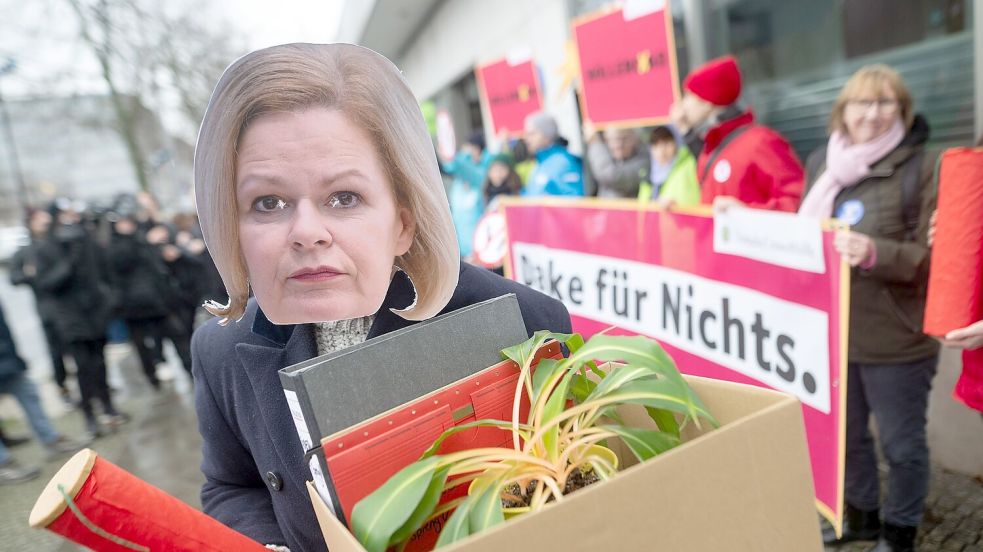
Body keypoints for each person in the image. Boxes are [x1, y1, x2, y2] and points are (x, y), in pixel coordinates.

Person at [191, 43, 572, 552]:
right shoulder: (220, 353)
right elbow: (231, 485)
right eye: (269, 202)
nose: (307, 232)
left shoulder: (522, 322)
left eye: (343, 197)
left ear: (403, 220)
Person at [800, 64, 938, 552]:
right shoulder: (823, 164)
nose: (873, 114)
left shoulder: (924, 167)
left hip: (896, 336)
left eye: (886, 103)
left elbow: (936, 259)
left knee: (901, 447)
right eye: (863, 103)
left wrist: (876, 253)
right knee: (847, 438)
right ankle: (859, 517)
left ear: (902, 111)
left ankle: (899, 533)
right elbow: (799, 238)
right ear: (844, 110)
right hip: (833, 334)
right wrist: (733, 221)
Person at [671, 55, 803, 212]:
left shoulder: (761, 142)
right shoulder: (711, 148)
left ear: (706, 102)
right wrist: (680, 214)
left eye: (688, 96)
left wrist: (746, 214)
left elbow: (797, 201)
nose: (682, 105)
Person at [39, 203, 126, 438]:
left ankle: (108, 407)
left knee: (100, 362)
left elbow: (104, 271)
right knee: (83, 367)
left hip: (95, 312)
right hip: (71, 318)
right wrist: (69, 262)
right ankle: (90, 415)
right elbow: (47, 284)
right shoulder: (47, 247)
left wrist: (110, 299)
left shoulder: (87, 241)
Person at [0, 300, 85, 484]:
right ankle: (2, 464)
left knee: (27, 391)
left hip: (5, 357)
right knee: (26, 390)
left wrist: (14, 357)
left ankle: (51, 440)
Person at [9, 209, 72, 402]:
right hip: (46, 307)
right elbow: (15, 277)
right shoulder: (26, 249)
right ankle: (63, 388)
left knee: (77, 347)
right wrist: (29, 275)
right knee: (56, 351)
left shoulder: (56, 242)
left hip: (67, 303)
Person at [440, 132, 490, 258]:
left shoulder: (481, 172)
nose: (466, 152)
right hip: (461, 246)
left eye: (469, 148)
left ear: (478, 149)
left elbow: (465, 168)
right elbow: (446, 168)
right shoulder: (459, 180)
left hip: (479, 245)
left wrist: (453, 155)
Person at [521, 112, 584, 197]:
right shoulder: (539, 162)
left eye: (532, 134)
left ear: (547, 135)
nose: (527, 139)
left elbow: (573, 200)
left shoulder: (564, 162)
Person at [638, 125, 700, 207]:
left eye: (666, 143)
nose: (661, 150)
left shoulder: (690, 164)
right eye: (656, 145)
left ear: (677, 143)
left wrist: (676, 206)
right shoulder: (647, 174)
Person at [584, 123, 650, 198]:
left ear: (635, 139)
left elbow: (612, 176)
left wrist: (595, 143)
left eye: (624, 139)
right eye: (614, 139)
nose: (619, 145)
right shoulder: (609, 156)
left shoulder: (643, 160)